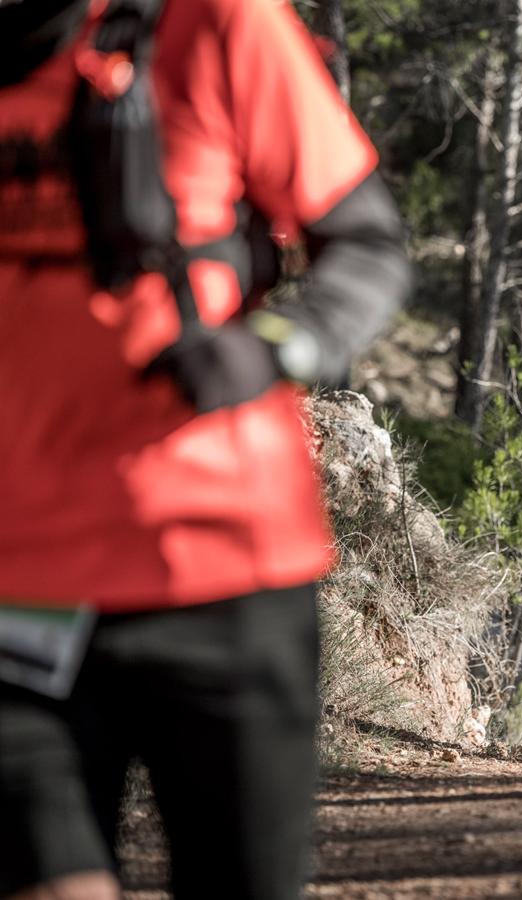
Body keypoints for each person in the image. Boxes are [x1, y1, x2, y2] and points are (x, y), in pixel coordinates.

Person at [0, 0, 409, 897]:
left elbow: (367, 245)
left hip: (223, 573)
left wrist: (271, 347)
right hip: (20, 589)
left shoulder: (217, 23)